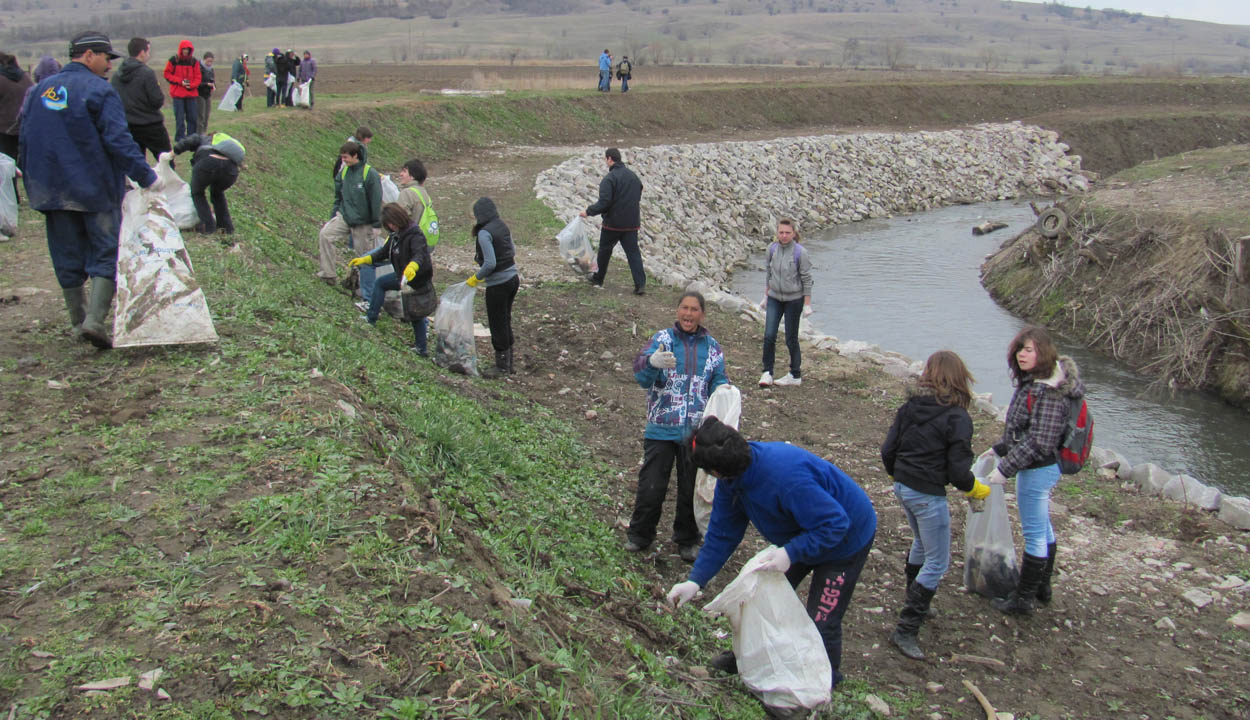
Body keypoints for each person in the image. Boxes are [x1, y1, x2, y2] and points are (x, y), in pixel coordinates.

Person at [666, 417, 877, 692]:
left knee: (822, 620)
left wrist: (791, 552)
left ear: (716, 470)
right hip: (801, 535)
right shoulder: (732, 481)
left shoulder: (785, 478)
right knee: (760, 598)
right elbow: (722, 534)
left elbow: (835, 524)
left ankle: (825, 685)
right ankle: (748, 659)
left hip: (846, 539)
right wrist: (695, 581)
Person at [19, 30, 159, 349]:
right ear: (89, 55)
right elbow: (119, 141)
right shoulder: (99, 90)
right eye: (106, 58)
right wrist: (147, 176)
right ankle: (95, 322)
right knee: (105, 251)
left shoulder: (38, 90)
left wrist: (31, 183)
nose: (109, 65)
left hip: (51, 189)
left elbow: (24, 139)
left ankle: (77, 323)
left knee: (65, 254)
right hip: (93, 187)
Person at [881, 350, 989, 660]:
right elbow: (957, 472)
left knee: (920, 543)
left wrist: (897, 474)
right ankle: (906, 629)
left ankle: (915, 598)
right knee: (938, 561)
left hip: (903, 486)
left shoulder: (910, 406)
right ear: (960, 379)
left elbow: (888, 448)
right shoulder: (958, 418)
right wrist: (975, 488)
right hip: (928, 494)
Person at [986, 325, 1085, 615]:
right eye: (1019, 349)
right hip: (1038, 467)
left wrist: (1004, 469)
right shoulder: (1034, 383)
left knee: (1034, 533)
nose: (1021, 355)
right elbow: (1021, 430)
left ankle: (1023, 599)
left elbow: (1041, 442)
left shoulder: (1050, 393)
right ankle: (1042, 587)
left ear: (1043, 353)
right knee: (1042, 526)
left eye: (1028, 349)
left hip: (1038, 469)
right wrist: (1000, 448)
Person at [629, 291, 729, 560]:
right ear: (677, 311)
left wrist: (725, 392)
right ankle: (640, 535)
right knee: (652, 484)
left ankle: (687, 539)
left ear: (702, 314)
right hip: (661, 427)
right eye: (684, 308)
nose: (688, 314)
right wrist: (652, 362)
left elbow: (719, 380)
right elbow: (639, 374)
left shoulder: (712, 347)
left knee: (690, 489)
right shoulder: (662, 340)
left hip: (696, 431)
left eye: (694, 309)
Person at [349, 203, 435, 355]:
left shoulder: (415, 235)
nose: (390, 226)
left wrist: (413, 267)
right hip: (401, 276)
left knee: (417, 315)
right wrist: (366, 259)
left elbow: (419, 254)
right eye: (388, 224)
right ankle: (371, 317)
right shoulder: (396, 235)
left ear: (398, 219)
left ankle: (421, 349)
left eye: (391, 223)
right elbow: (383, 252)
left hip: (416, 280)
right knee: (381, 283)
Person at [581, 147, 645, 294]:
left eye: (606, 159)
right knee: (633, 253)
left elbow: (604, 202)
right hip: (632, 223)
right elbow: (639, 191)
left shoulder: (609, 179)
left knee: (604, 251)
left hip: (613, 224)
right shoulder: (633, 176)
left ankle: (598, 278)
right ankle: (640, 284)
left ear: (609, 159)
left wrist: (588, 212)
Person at [466, 197, 518, 378]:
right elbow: (513, 250)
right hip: (513, 278)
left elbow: (489, 263)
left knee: (497, 323)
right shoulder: (502, 225)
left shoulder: (484, 233)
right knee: (505, 319)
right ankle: (509, 363)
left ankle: (502, 367)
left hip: (498, 284)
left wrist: (475, 278)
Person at [758, 219, 813, 388]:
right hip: (774, 297)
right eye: (781, 232)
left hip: (793, 300)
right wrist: (766, 295)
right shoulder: (772, 249)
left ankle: (795, 374)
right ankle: (767, 372)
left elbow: (806, 278)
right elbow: (769, 272)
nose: (784, 236)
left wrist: (807, 303)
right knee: (769, 335)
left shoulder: (800, 252)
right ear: (777, 233)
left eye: (787, 232)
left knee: (791, 338)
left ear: (794, 233)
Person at [317, 141, 381, 287]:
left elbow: (376, 200)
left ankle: (364, 289)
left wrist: (376, 224)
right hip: (345, 217)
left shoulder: (369, 174)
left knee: (364, 256)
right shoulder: (344, 172)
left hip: (363, 223)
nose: (343, 160)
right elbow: (338, 197)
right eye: (342, 157)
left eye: (345, 157)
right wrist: (333, 215)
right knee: (325, 235)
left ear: (355, 156)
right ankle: (328, 275)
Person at [171, 132, 244, 236]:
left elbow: (187, 142)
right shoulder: (228, 143)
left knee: (197, 193)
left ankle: (208, 227)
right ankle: (226, 228)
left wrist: (172, 154)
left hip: (207, 164)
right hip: (230, 170)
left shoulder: (203, 138)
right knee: (217, 193)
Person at [110, 37, 170, 163]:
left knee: (137, 165)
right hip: (151, 125)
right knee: (166, 162)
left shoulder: (116, 76)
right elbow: (156, 101)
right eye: (148, 51)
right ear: (142, 53)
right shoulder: (146, 73)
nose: (148, 55)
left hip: (128, 125)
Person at [162, 39, 201, 141]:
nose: (185, 51)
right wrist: (180, 81)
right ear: (180, 49)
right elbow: (167, 74)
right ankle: (180, 138)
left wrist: (191, 85)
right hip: (178, 93)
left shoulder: (194, 62)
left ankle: (192, 137)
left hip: (191, 93)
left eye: (187, 49)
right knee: (179, 118)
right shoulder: (174, 60)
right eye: (184, 49)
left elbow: (198, 77)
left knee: (192, 117)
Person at [196, 51, 215, 133]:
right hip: (199, 94)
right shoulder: (199, 68)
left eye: (211, 62)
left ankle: (204, 133)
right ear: (204, 60)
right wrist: (206, 84)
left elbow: (213, 81)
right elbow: (196, 83)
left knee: (206, 116)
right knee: (201, 116)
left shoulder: (211, 70)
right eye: (208, 61)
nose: (209, 63)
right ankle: (199, 134)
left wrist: (213, 86)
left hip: (208, 95)